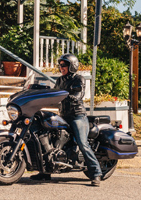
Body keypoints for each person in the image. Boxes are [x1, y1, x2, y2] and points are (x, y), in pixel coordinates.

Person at [30, 53, 103, 187]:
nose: (61, 67)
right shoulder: (60, 81)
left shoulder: (78, 79)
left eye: (64, 65)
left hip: (77, 116)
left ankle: (96, 173)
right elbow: (55, 94)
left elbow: (79, 93)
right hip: (63, 115)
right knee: (48, 138)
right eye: (60, 65)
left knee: (82, 143)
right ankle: (45, 172)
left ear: (72, 66)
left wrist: (73, 96)